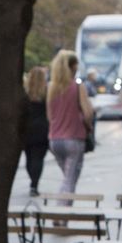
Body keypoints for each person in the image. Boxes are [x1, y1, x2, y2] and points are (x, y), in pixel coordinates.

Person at [45, 50, 94, 195]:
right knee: (69, 179)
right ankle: (60, 215)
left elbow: (49, 116)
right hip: (74, 138)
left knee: (68, 177)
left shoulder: (51, 88)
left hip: (54, 140)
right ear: (73, 67)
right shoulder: (78, 87)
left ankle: (62, 215)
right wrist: (88, 124)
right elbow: (87, 113)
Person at [22, 66, 51, 196]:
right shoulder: (46, 93)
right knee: (38, 158)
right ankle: (34, 183)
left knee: (29, 157)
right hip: (42, 129)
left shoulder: (25, 94)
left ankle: (32, 179)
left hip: (26, 129)